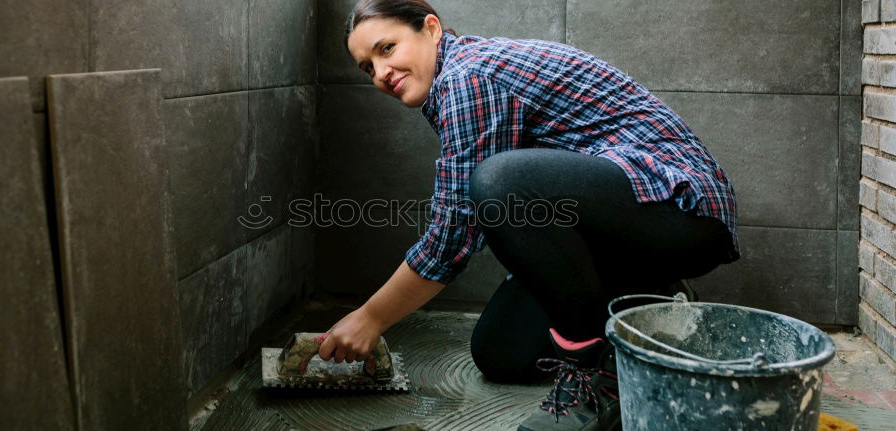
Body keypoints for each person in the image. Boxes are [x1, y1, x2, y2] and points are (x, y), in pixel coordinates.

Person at [316, 0, 740, 429]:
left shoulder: (469, 76)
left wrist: (371, 318)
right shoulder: (455, 80)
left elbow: (455, 233)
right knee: (501, 352)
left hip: (682, 212)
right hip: (617, 228)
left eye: (387, 48)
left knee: (499, 182)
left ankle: (597, 379)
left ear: (430, 29)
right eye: (367, 67)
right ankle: (650, 295)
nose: (381, 73)